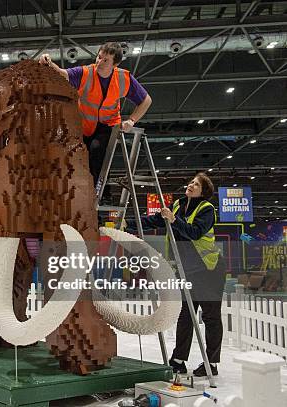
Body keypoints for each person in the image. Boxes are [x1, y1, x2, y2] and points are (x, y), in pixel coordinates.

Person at [129, 173, 225, 377]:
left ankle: (212, 363)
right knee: (185, 315)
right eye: (191, 181)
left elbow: (195, 232)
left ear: (203, 191)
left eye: (196, 184)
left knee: (210, 317)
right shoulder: (178, 205)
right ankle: (179, 359)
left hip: (208, 270)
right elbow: (156, 220)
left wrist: (174, 220)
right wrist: (128, 224)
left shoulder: (206, 209)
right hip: (185, 270)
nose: (191, 185)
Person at [39, 42, 152, 189]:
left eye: (106, 60)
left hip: (108, 125)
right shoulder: (85, 73)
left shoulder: (124, 78)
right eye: (99, 57)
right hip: (84, 125)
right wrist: (50, 63)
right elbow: (63, 74)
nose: (100, 62)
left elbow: (146, 100)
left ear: (115, 64)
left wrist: (132, 120)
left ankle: (97, 192)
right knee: (75, 156)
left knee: (97, 149)